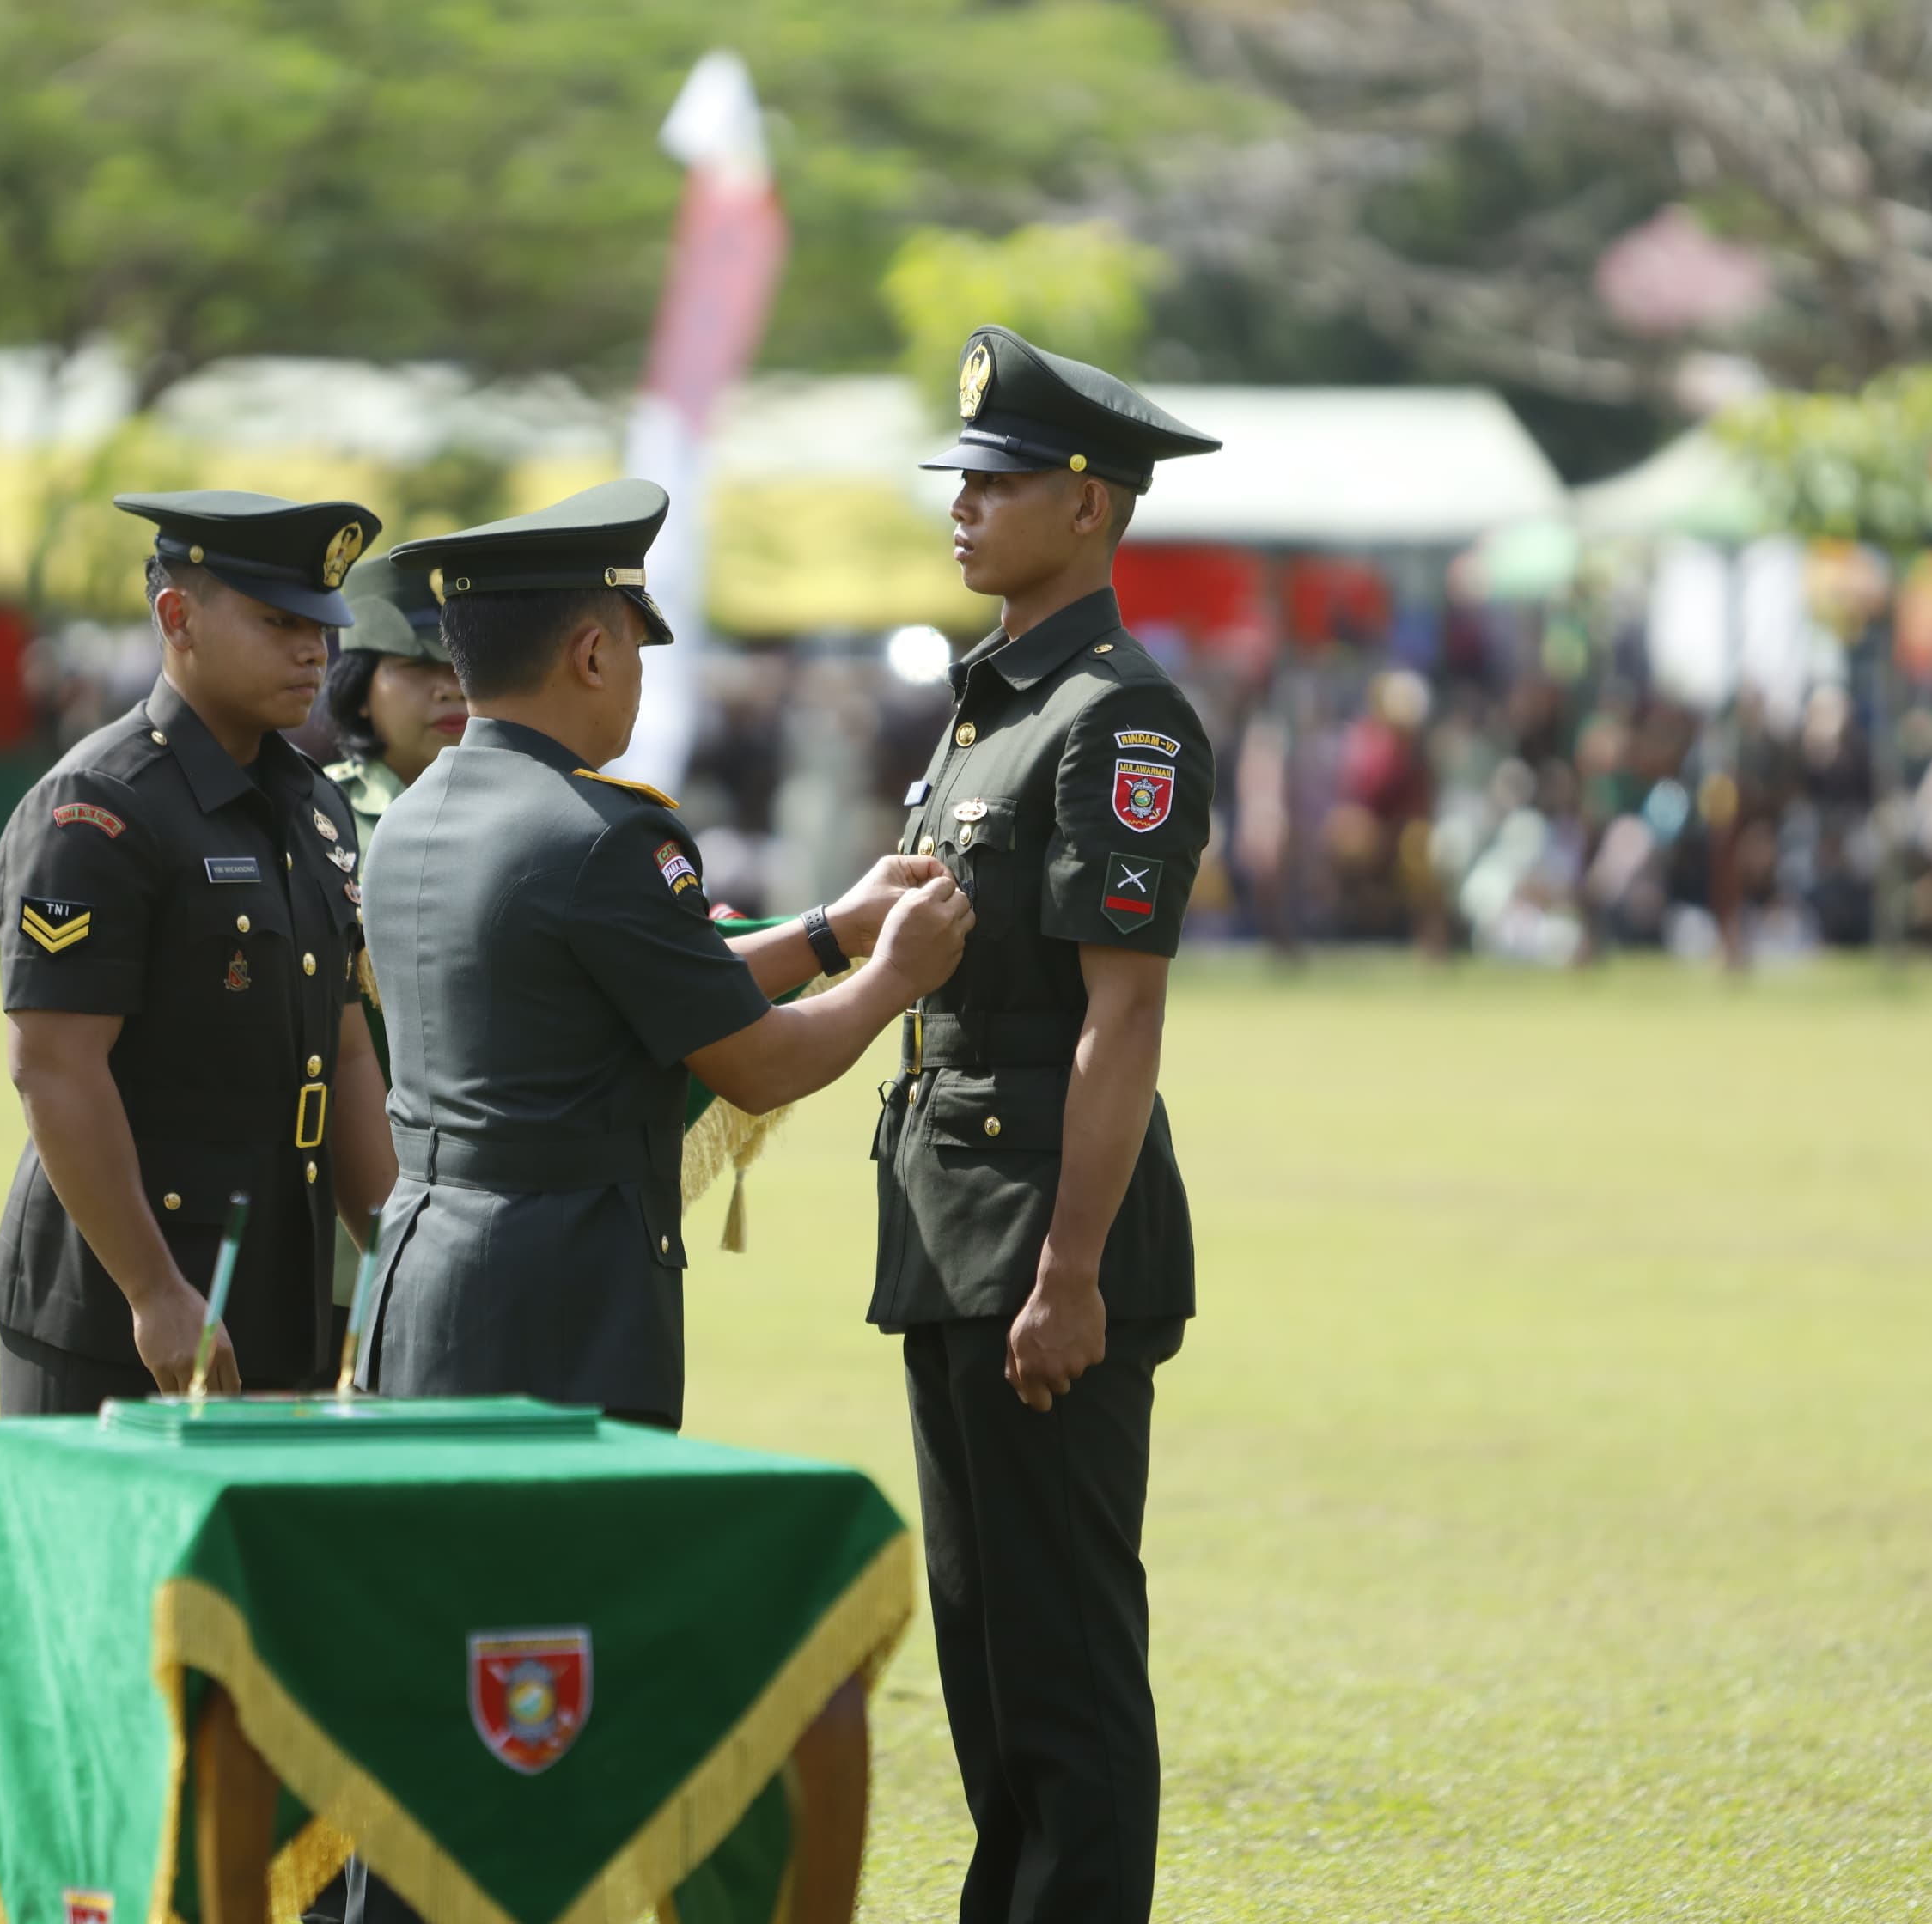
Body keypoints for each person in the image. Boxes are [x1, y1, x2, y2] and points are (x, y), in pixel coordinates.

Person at [351, 478, 972, 1431]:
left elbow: (628, 990)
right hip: (562, 1303)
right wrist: (896, 973)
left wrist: (830, 931)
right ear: (592, 652)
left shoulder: (407, 818)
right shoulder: (603, 835)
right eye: (637, 647)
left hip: (415, 1279)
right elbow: (760, 1063)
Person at [879, 326, 1220, 1924]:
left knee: (1066, 1657)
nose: (962, 506)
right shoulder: (990, 706)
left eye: (996, 481)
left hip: (1044, 1236)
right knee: (984, 1639)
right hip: (953, 1220)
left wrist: (1071, 1266)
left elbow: (1124, 1012)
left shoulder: (1119, 721)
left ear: (1091, 505)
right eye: (960, 477)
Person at [0, 490, 396, 1416]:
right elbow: (55, 1067)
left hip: (275, 1296)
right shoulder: (98, 806)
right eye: (279, 623)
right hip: (118, 1307)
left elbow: (349, 1042)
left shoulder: (316, 809)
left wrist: (398, 1252)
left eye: (322, 625)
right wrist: (152, 1290)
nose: (313, 652)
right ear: (178, 618)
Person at [320, 550, 461, 1079]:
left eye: (463, 666)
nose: (450, 687)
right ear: (359, 693)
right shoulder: (314, 811)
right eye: (417, 667)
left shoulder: (531, 812)